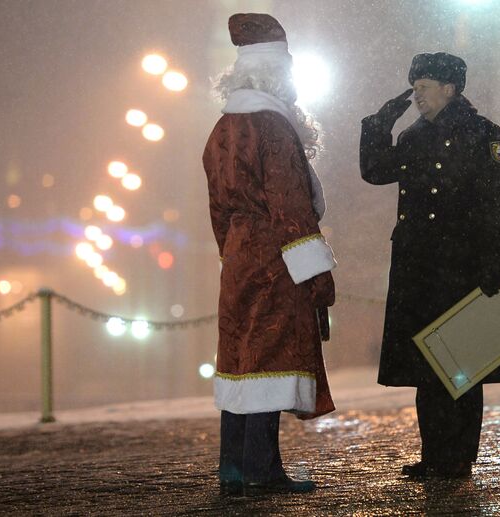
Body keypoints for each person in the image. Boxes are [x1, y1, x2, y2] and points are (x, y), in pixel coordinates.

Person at [359, 52, 500, 478]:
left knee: (464, 365)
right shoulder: (413, 137)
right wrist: (380, 123)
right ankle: (435, 456)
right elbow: (374, 170)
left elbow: (499, 205)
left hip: (462, 265)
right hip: (419, 267)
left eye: (424, 88)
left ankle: (459, 456)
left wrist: (494, 264)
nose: (416, 96)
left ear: (450, 89)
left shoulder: (484, 135)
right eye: (414, 88)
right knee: (427, 366)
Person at [202, 13, 337, 496]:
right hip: (277, 259)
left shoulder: (222, 129)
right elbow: (291, 209)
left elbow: (218, 208)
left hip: (238, 257)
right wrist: (318, 276)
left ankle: (233, 469)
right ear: (278, 73)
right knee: (271, 358)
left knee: (241, 360)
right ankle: (263, 469)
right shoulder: (274, 129)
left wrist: (231, 254)